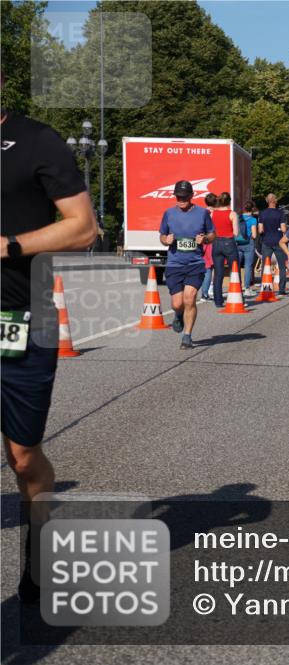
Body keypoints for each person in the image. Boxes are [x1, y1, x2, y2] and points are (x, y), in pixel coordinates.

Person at [1, 110, 97, 603]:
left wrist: (8, 246)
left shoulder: (35, 141)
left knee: (21, 457)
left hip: (21, 319)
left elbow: (83, 229)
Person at [160, 180, 215, 348]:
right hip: (175, 264)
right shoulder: (169, 213)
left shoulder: (202, 213)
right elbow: (162, 236)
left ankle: (187, 336)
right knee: (177, 303)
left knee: (189, 299)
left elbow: (212, 234)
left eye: (184, 196)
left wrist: (205, 238)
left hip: (195, 263)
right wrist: (165, 240)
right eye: (178, 196)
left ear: (191, 196)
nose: (181, 199)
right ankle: (178, 315)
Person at [210, 191, 240, 307]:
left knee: (218, 273)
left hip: (216, 243)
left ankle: (218, 301)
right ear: (229, 202)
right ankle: (238, 297)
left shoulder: (213, 214)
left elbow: (211, 230)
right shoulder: (232, 214)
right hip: (229, 242)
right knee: (235, 271)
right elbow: (236, 233)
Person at [258, 193, 288, 295]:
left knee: (265, 265)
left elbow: (260, 230)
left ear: (267, 201)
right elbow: (283, 229)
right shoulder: (280, 213)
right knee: (282, 266)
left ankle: (265, 286)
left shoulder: (262, 213)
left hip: (266, 241)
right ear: (275, 201)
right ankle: (282, 289)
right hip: (278, 241)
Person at [199, 192, 217, 302]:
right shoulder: (217, 214)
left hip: (203, 242)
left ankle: (205, 292)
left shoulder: (201, 213)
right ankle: (209, 291)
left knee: (207, 267)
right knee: (212, 267)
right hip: (213, 241)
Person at [238, 201, 257, 296]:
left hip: (238, 243)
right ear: (252, 209)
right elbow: (254, 235)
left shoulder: (238, 217)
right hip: (248, 243)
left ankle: (237, 286)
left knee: (236, 265)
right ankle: (247, 288)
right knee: (248, 266)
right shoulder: (253, 220)